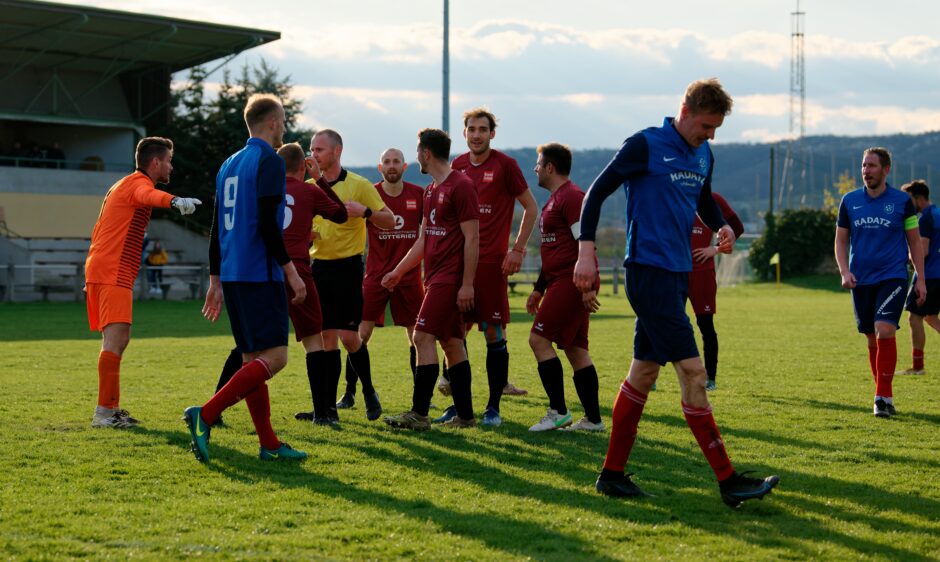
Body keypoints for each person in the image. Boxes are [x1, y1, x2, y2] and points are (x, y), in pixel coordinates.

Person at [574, 78, 779, 507]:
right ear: (684, 110)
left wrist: (720, 223)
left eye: (716, 128)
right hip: (647, 273)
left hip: (678, 273)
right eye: (706, 125)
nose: (711, 135)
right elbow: (595, 194)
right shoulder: (645, 145)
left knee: (644, 374)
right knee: (693, 373)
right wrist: (586, 251)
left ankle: (611, 475)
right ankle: (728, 481)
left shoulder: (704, 153)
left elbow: (703, 199)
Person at [183, 94, 307, 462]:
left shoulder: (228, 164)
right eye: (282, 120)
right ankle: (204, 414)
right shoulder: (268, 160)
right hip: (258, 274)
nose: (284, 127)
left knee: (252, 358)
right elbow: (269, 226)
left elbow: (216, 226)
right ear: (271, 123)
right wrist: (291, 272)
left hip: (235, 274)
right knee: (277, 357)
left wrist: (215, 279)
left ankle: (268, 443)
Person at [212, 142, 348, 426]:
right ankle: (323, 412)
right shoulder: (309, 190)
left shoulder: (260, 186)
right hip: (295, 268)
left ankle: (216, 406)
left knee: (248, 346)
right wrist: (320, 180)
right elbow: (340, 213)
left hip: (262, 270)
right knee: (314, 341)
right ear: (303, 167)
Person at [84, 136, 201, 428]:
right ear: (156, 162)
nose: (172, 167)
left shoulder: (124, 184)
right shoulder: (138, 184)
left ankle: (110, 408)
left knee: (116, 340)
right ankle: (104, 413)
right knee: (116, 340)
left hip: (107, 268)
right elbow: (150, 197)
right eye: (169, 161)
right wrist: (175, 201)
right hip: (111, 270)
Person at [436, 107, 539, 427]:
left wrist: (518, 249)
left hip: (492, 265)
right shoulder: (458, 166)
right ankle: (457, 406)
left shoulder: (506, 165)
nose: (477, 134)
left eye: (483, 129)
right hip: (458, 265)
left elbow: (531, 208)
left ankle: (493, 408)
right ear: (464, 133)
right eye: (471, 129)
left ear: (492, 133)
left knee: (493, 333)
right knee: (454, 334)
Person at [382, 128, 480, 430]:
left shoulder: (461, 185)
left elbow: (473, 238)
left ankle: (419, 414)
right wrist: (398, 271)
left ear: (426, 153)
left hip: (449, 280)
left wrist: (466, 284)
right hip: (435, 277)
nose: (416, 157)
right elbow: (424, 238)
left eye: (417, 151)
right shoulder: (431, 190)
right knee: (451, 344)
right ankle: (466, 417)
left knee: (421, 337)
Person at [307, 129, 395, 422]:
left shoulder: (358, 184)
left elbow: (390, 221)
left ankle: (368, 390)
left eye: (319, 149)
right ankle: (327, 410)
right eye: (312, 149)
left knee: (348, 336)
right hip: (318, 268)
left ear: (337, 151)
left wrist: (365, 211)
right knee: (326, 338)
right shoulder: (309, 187)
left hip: (347, 268)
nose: (314, 154)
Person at [835, 149, 927, 419]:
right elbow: (841, 239)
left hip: (893, 276)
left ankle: (881, 397)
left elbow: (914, 240)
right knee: (871, 338)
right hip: (861, 279)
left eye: (872, 165)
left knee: (885, 329)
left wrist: (920, 278)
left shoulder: (902, 202)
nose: (866, 170)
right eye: (863, 165)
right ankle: (883, 393)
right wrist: (844, 271)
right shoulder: (849, 200)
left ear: (886, 170)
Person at [525, 143, 604, 432]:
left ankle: (558, 410)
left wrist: (588, 285)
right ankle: (593, 420)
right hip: (559, 281)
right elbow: (553, 251)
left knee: (538, 340)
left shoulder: (571, 197)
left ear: (549, 167)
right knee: (575, 348)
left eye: (538, 164)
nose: (535, 168)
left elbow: (586, 243)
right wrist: (538, 288)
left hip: (570, 283)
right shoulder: (554, 200)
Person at [360, 148, 426, 396]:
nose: (391, 165)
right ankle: (352, 391)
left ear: (404, 166)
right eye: (386, 161)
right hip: (376, 276)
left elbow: (427, 234)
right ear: (380, 168)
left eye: (396, 161)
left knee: (417, 336)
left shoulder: (418, 195)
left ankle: (420, 393)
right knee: (361, 335)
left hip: (409, 277)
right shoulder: (371, 195)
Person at [689, 192, 744, 391]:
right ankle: (650, 375)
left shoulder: (712, 199)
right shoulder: (673, 192)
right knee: (666, 323)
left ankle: (710, 378)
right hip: (674, 271)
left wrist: (716, 249)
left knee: (706, 326)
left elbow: (737, 227)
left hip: (702, 273)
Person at [898, 180, 940, 376]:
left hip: (928, 274)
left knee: (914, 317)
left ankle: (918, 367)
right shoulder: (937, 213)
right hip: (937, 274)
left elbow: (921, 251)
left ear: (918, 198)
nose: (906, 204)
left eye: (908, 199)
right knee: (931, 317)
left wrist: (903, 256)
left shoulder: (923, 218)